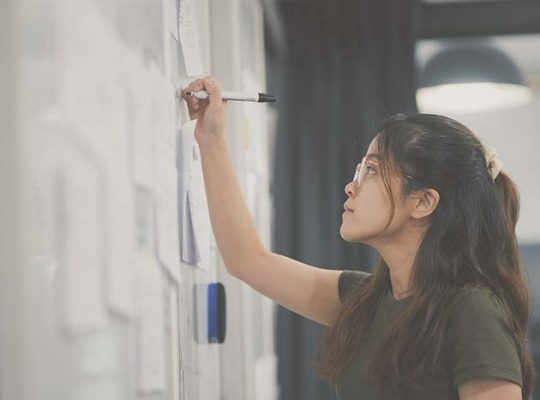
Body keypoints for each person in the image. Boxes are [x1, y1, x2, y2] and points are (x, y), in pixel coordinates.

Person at [181, 76, 534, 400]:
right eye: (359, 169)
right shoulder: (365, 300)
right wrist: (210, 139)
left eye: (373, 170)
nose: (352, 186)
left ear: (423, 201)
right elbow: (248, 261)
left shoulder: (472, 309)